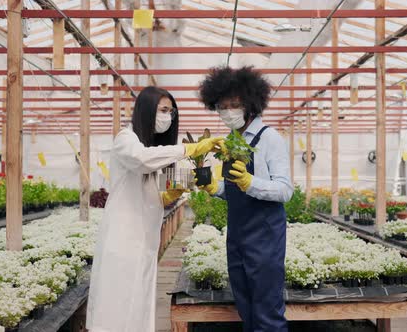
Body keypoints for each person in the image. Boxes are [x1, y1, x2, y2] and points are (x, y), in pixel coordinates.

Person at [86, 86, 224, 332]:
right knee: (117, 305)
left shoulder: (149, 146)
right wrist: (190, 149)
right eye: (163, 110)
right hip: (123, 236)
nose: (167, 116)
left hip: (144, 238)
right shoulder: (126, 139)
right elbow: (141, 161)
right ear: (147, 109)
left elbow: (153, 183)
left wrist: (172, 191)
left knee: (138, 302)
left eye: (171, 112)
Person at [198, 66, 294, 332]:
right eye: (222, 106)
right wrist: (213, 187)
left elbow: (285, 190)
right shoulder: (231, 141)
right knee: (246, 306)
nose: (228, 111)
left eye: (235, 104)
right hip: (238, 236)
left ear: (251, 104)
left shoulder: (269, 139)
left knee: (267, 310)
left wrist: (250, 183)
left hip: (264, 236)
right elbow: (234, 191)